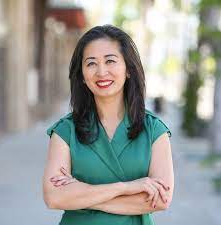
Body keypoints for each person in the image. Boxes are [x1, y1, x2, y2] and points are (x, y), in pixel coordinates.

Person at [43, 24, 174, 225]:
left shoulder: (154, 130)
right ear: (82, 76)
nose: (101, 71)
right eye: (91, 63)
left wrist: (81, 196)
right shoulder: (65, 131)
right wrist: (127, 188)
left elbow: (160, 201)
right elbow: (54, 197)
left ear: (128, 69)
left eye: (110, 61)